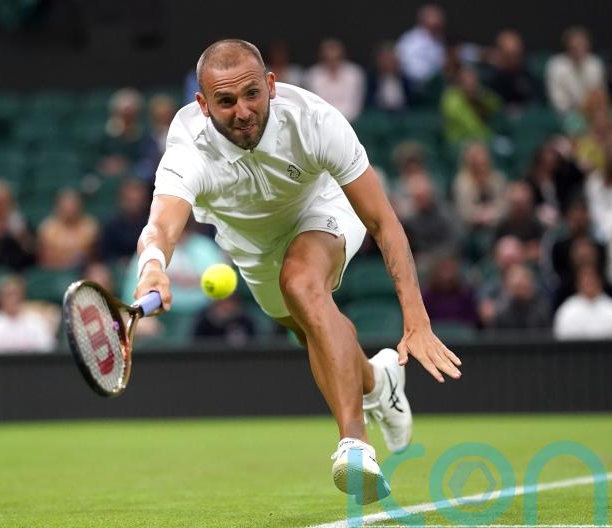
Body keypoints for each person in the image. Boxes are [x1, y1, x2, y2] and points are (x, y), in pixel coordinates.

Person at [133, 39, 461, 504]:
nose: (243, 111)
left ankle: (355, 444)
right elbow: (162, 226)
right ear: (203, 105)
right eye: (225, 101)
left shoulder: (315, 121)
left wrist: (416, 316)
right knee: (312, 330)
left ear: (270, 85)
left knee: (302, 285)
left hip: (321, 209)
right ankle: (378, 380)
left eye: (251, 94)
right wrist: (152, 268)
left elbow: (383, 221)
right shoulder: (188, 147)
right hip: (250, 247)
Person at [0, 275, 56, 354]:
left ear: (23, 296)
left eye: (15, 294)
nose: (12, 299)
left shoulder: (36, 322)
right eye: (8, 295)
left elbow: (48, 351)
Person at [553, 265, 612, 340]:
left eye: (592, 279)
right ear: (577, 283)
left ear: (600, 281)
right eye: (584, 280)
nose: (588, 283)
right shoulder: (567, 310)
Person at [546, 26, 606, 115]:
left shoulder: (595, 63)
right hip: (566, 114)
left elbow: (599, 94)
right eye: (575, 45)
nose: (579, 49)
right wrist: (577, 111)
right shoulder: (556, 65)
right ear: (567, 46)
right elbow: (558, 101)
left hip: (592, 113)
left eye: (582, 44)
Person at [305, 38, 366, 123]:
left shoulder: (354, 73)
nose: (333, 63)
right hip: (322, 120)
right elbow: (316, 103)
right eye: (328, 59)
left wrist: (341, 121)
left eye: (336, 58)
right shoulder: (313, 74)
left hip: (350, 121)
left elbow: (354, 104)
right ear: (322, 58)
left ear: (342, 57)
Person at [36, 189, 99, 270]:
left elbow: (92, 254)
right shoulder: (47, 228)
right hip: (55, 271)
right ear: (58, 207)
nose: (69, 210)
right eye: (65, 206)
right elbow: (45, 257)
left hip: (84, 270)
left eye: (73, 205)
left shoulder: (90, 225)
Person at [440, 66, 502, 145]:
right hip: (458, 142)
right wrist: (489, 138)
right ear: (459, 83)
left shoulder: (478, 94)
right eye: (467, 82)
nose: (471, 86)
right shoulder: (452, 99)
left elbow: (497, 105)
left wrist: (482, 97)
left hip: (478, 139)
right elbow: (470, 126)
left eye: (474, 82)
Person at [395, 4, 446, 90]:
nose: (437, 21)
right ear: (423, 19)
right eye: (433, 17)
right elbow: (400, 62)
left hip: (437, 85)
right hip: (413, 86)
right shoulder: (410, 39)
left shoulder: (442, 40)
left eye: (439, 18)